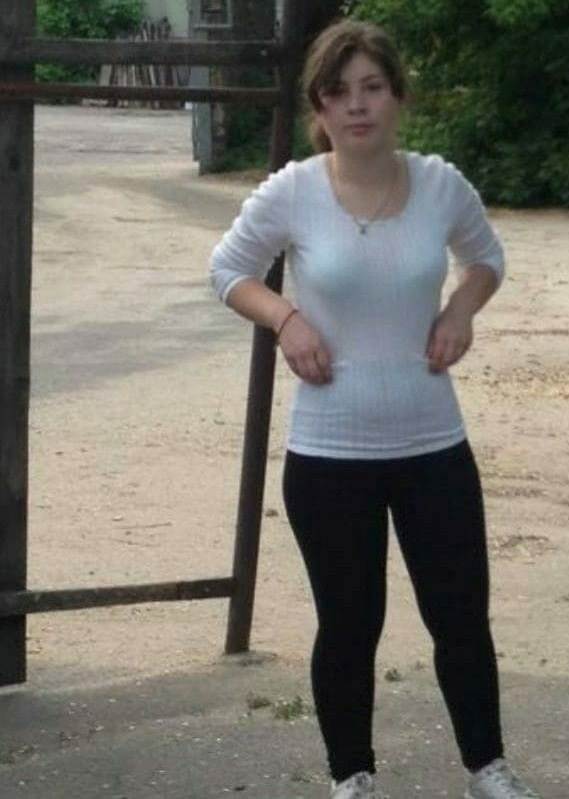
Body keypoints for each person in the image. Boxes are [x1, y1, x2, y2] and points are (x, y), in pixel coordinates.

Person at [210, 18, 542, 799]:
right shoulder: (293, 191)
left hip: (433, 445)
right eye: (338, 92)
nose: (356, 105)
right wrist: (285, 319)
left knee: (460, 616)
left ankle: (487, 768)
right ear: (319, 108)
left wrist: (460, 309)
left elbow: (486, 258)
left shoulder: (439, 184)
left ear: (397, 97)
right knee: (350, 624)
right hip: (330, 456)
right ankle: (351, 776)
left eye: (372, 88)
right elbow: (227, 269)